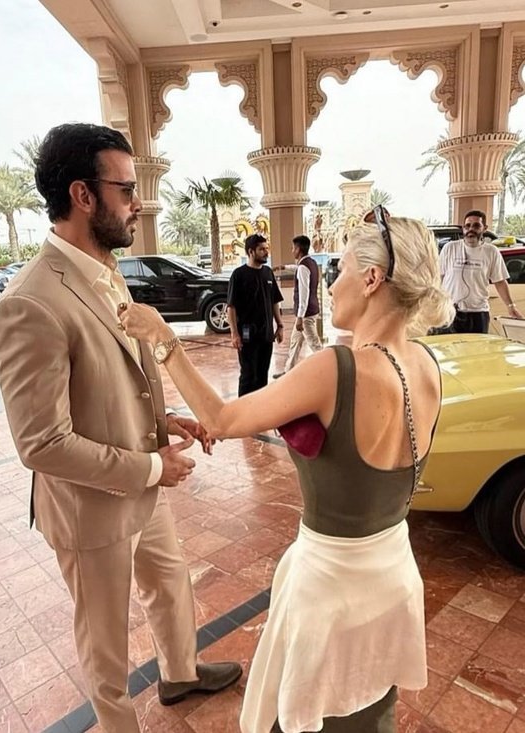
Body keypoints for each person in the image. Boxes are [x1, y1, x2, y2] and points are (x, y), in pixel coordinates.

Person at [119, 205, 454, 732]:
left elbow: (223, 418)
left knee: (302, 715)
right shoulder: (427, 365)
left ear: (372, 279)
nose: (332, 283)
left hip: (330, 589)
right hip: (393, 577)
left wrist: (162, 336)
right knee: (369, 710)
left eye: (342, 269)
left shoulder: (336, 368)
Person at [0, 123, 241, 733]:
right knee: (104, 639)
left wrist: (166, 422)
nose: (138, 204)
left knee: (169, 583)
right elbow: (42, 443)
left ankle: (179, 673)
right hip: (90, 506)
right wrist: (154, 466)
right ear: (83, 195)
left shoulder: (107, 272)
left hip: (142, 483)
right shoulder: (30, 302)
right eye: (126, 190)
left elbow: (116, 379)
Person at [439, 209, 523, 332]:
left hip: (478, 314)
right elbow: (438, 277)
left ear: (484, 228)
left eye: (476, 226)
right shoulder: (450, 248)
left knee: (478, 344)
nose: (471, 229)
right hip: (449, 312)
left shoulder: (491, 251)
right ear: (463, 228)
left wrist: (511, 306)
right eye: (467, 226)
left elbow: (500, 281)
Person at [227, 234, 284, 396]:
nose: (266, 252)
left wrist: (280, 325)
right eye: (262, 249)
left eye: (266, 248)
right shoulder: (239, 275)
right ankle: (243, 407)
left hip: (266, 334)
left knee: (262, 373)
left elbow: (274, 301)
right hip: (247, 333)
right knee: (248, 374)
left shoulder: (268, 273)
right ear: (251, 252)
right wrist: (234, 333)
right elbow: (231, 307)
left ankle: (260, 406)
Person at [273, 235, 322, 378]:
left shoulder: (303, 268)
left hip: (306, 315)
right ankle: (288, 372)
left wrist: (300, 317)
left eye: (293, 248)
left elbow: (303, 295)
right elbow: (298, 268)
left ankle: (331, 369)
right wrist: (283, 267)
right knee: (295, 343)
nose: (292, 250)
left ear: (299, 249)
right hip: (310, 311)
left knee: (315, 345)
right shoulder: (310, 263)